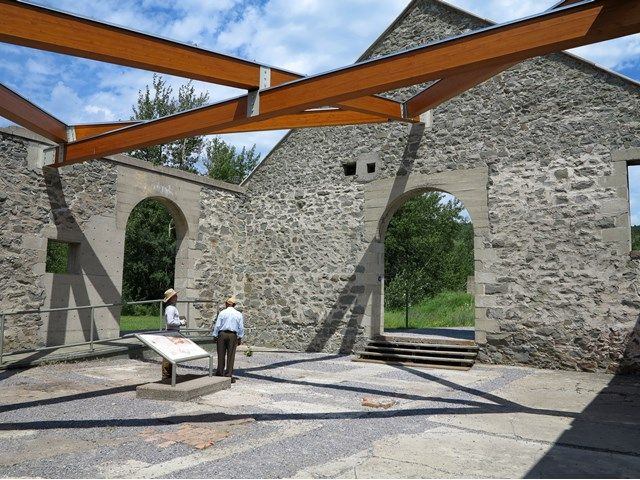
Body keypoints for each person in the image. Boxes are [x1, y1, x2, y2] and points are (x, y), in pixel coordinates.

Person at [211, 296, 244, 383]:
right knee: (231, 355)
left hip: (222, 334)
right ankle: (228, 374)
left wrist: (215, 335)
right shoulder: (238, 314)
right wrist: (240, 337)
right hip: (233, 335)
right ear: (234, 305)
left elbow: (218, 325)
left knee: (221, 354)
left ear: (226, 304)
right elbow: (241, 327)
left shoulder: (222, 313)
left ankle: (220, 372)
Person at [161, 288, 185, 381]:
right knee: (168, 354)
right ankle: (166, 375)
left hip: (173, 332)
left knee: (172, 353)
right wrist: (181, 322)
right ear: (171, 298)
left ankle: (170, 373)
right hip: (171, 332)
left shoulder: (171, 308)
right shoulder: (171, 309)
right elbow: (170, 322)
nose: (176, 297)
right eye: (175, 296)